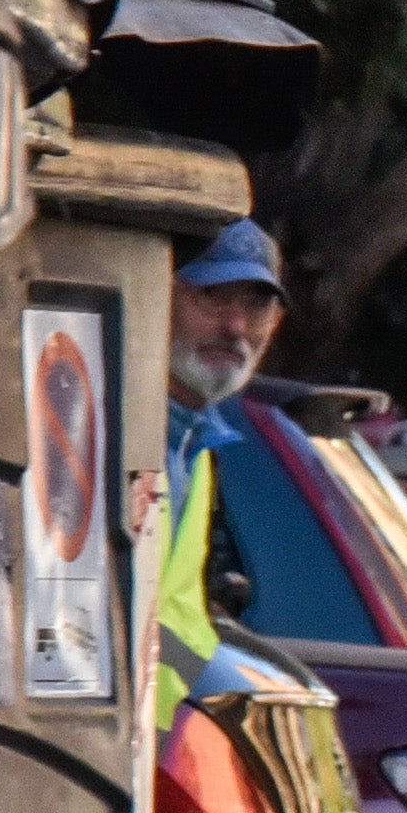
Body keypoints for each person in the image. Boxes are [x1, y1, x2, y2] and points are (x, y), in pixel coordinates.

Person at [152, 219, 286, 721]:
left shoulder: (198, 447)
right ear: (156, 295)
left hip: (154, 753)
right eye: (212, 297)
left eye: (256, 305)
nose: (235, 327)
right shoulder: (116, 429)